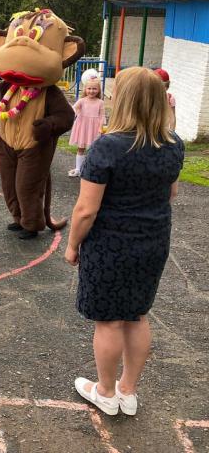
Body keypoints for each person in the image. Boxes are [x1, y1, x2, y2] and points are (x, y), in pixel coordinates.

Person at [66, 67, 184, 417]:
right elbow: (171, 194)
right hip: (153, 240)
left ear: (124, 100)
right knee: (137, 315)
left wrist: (73, 245)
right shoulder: (174, 144)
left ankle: (105, 390)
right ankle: (128, 391)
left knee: (110, 321)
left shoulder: (108, 147)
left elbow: (86, 209)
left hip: (110, 243)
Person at [68, 79, 105, 177]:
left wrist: (101, 128)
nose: (91, 91)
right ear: (85, 89)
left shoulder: (100, 102)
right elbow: (73, 109)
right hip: (83, 127)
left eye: (94, 89)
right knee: (81, 148)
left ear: (98, 90)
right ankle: (78, 169)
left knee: (93, 149)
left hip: (94, 128)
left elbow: (102, 116)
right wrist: (74, 111)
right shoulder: (82, 101)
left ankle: (90, 169)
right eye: (89, 88)